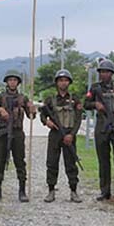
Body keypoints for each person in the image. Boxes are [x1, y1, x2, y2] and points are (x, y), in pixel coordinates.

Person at [0, 70, 36, 202]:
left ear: (18, 82)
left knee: (20, 161)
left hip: (17, 133)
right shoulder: (0, 96)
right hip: (3, 132)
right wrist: (0, 109)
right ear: (6, 82)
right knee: (0, 161)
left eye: (15, 80)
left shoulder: (23, 98)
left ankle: (22, 190)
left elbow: (32, 117)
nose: (12, 82)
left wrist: (32, 109)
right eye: (10, 80)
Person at [84, 59, 114, 201]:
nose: (103, 74)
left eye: (106, 72)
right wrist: (95, 104)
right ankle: (105, 191)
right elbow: (85, 103)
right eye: (101, 72)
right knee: (103, 160)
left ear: (112, 73)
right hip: (102, 127)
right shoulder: (95, 88)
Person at [39, 69, 83, 203]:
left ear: (69, 82)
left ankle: (74, 191)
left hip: (69, 134)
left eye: (65, 80)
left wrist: (72, 134)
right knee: (52, 163)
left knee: (71, 164)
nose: (63, 83)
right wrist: (47, 122)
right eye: (60, 80)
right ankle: (51, 190)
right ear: (57, 83)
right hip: (55, 135)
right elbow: (42, 114)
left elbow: (78, 119)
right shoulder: (50, 99)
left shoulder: (74, 99)